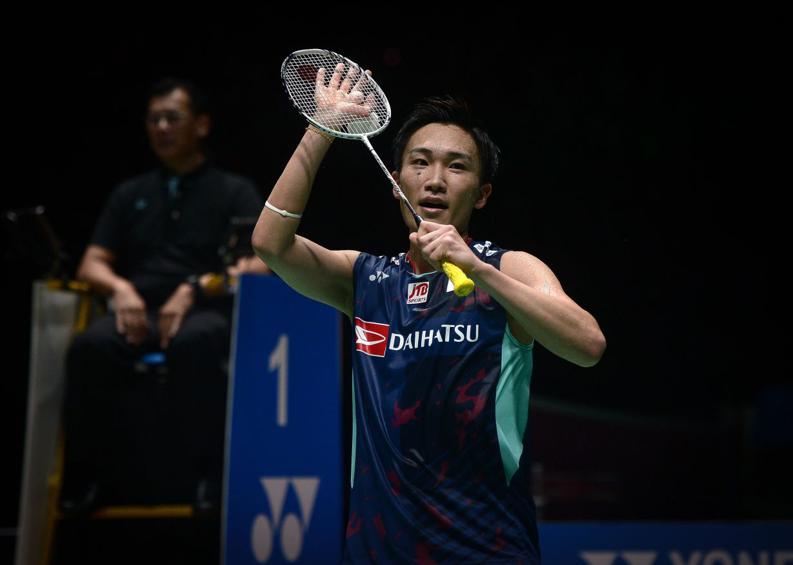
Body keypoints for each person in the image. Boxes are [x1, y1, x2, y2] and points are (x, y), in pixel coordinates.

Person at [252, 64, 606, 563]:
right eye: (419, 163)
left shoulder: (510, 268)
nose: (435, 180)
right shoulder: (365, 280)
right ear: (396, 183)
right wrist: (321, 129)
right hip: (377, 549)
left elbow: (587, 345)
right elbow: (270, 243)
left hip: (486, 547)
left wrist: (477, 269)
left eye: (457, 167)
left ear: (482, 194)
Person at [60, 77, 268, 515]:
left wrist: (195, 288)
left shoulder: (232, 191)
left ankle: (210, 480)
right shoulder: (130, 193)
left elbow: (259, 264)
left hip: (204, 311)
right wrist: (121, 289)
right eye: (154, 119)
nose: (161, 128)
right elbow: (91, 263)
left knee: (197, 342)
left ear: (202, 125)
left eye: (172, 118)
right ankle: (87, 482)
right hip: (138, 312)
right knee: (88, 347)